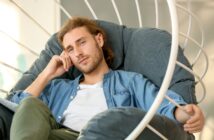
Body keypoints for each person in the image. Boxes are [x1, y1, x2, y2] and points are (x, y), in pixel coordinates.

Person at [9, 17, 204, 140]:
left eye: (81, 43)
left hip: (101, 134)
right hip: (59, 134)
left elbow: (161, 105)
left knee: (101, 124)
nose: (77, 53)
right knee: (30, 104)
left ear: (99, 40)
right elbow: (16, 107)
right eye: (70, 49)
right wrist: (47, 74)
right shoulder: (59, 87)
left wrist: (187, 114)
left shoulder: (129, 81)